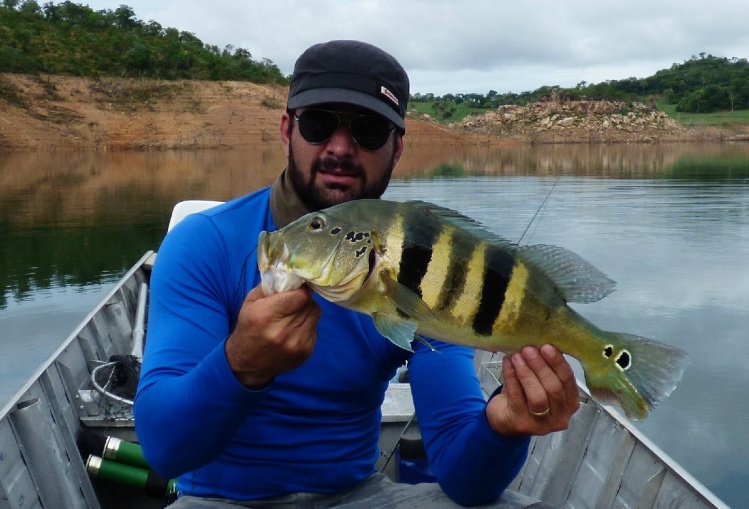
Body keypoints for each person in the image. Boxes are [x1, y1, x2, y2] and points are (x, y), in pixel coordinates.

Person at [135, 40, 580, 508]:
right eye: (319, 123)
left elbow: (465, 483)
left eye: (368, 131)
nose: (341, 148)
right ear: (288, 131)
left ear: (397, 148)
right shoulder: (206, 245)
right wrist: (241, 364)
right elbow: (165, 451)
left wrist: (503, 425)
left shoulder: (416, 264)